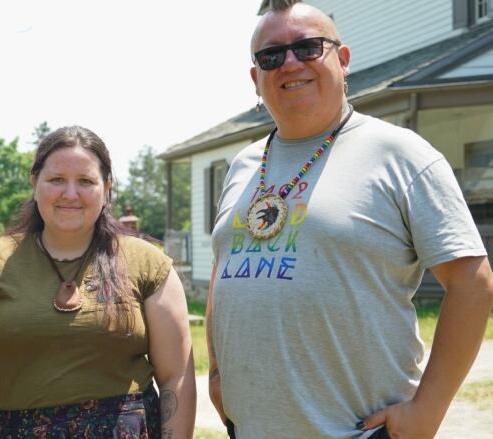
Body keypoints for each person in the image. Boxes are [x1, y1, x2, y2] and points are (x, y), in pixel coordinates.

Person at [206, 1, 493, 438]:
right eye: (271, 56)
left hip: (354, 431)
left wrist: (427, 410)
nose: (289, 63)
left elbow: (473, 282)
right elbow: (222, 268)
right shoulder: (244, 165)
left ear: (342, 60)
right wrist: (216, 371)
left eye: (307, 48)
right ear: (255, 80)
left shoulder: (399, 154)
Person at [0, 126, 196, 438]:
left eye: (86, 182)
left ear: (107, 189)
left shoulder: (148, 264)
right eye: (56, 180)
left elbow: (176, 375)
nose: (70, 194)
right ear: (34, 183)